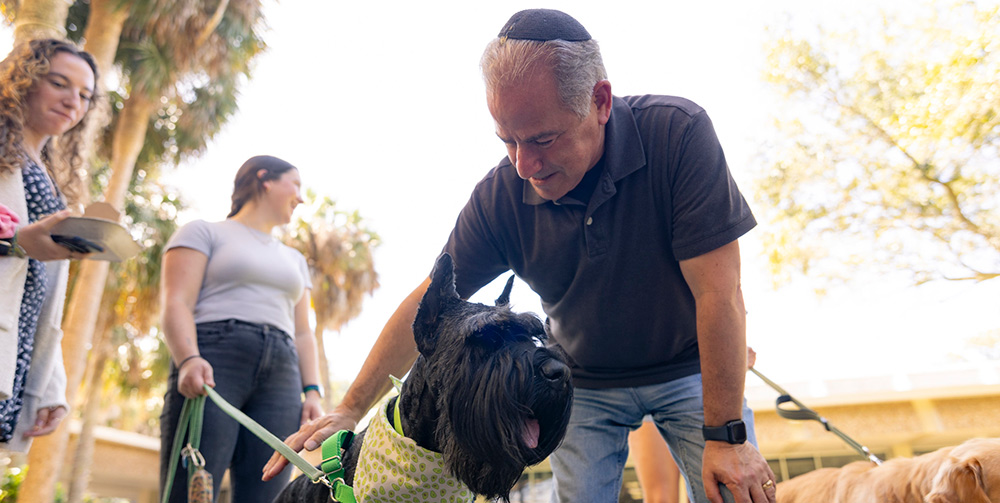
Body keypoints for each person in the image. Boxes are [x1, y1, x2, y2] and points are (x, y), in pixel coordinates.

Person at [264, 9, 776, 503]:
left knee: (735, 489)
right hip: (582, 381)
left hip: (688, 368)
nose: (524, 164)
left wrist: (727, 435)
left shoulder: (677, 134)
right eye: (507, 140)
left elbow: (719, 292)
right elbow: (430, 302)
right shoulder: (499, 197)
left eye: (542, 139)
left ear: (600, 101)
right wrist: (351, 407)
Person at [159, 155, 323, 503]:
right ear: (265, 179)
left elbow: (303, 332)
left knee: (268, 493)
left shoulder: (294, 260)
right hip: (215, 359)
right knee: (191, 491)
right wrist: (188, 358)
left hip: (282, 374)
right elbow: (176, 303)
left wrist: (312, 390)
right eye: (295, 184)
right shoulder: (203, 231)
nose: (301, 197)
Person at [0, 39, 98, 453]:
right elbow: (18, 245)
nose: (72, 101)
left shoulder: (50, 176)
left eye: (85, 95)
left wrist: (51, 387)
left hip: (15, 349)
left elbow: (44, 294)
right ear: (24, 81)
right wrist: (17, 242)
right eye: (59, 83)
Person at [630, 349, 758, 503]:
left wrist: (731, 350)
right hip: (649, 374)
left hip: (697, 374)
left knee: (723, 491)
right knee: (661, 497)